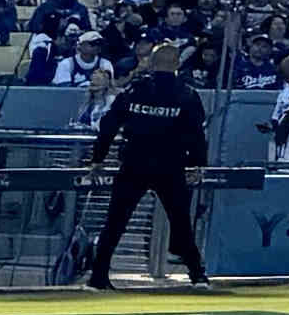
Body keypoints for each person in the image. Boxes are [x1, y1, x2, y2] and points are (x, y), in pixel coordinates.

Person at [81, 51, 211, 287]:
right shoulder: (187, 94)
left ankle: (98, 275)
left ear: (151, 64)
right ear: (178, 65)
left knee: (116, 220)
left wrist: (97, 159)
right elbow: (196, 135)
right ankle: (197, 274)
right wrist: (198, 164)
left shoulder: (134, 90)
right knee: (180, 220)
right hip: (170, 165)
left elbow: (109, 125)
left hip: (135, 163)